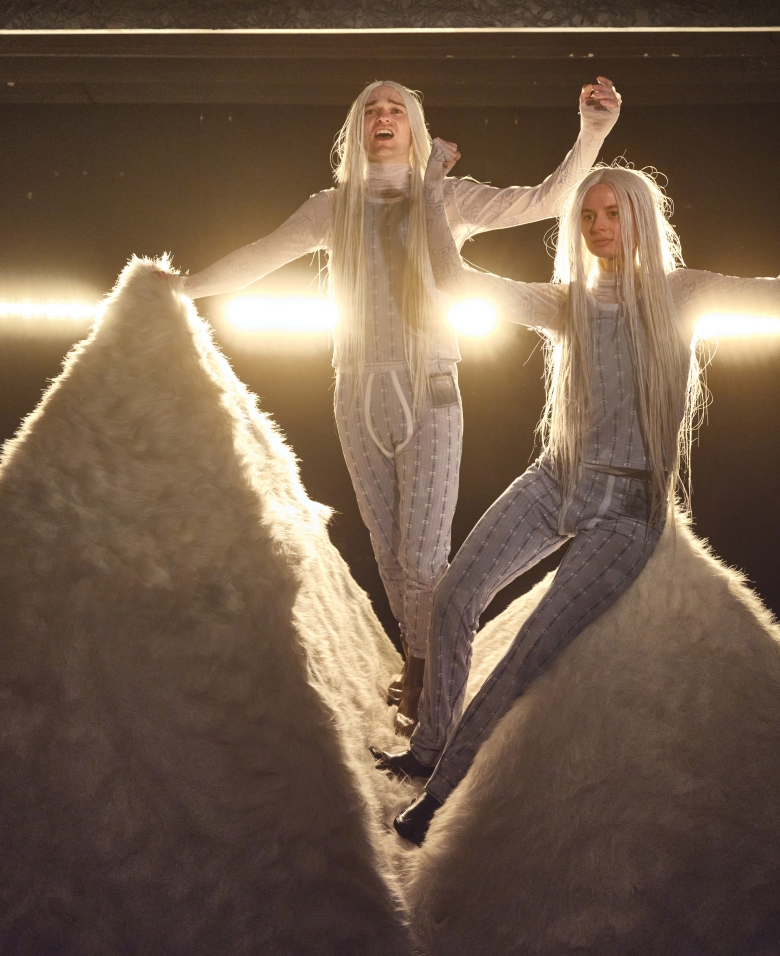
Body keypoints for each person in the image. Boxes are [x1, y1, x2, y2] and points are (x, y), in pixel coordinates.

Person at [373, 148, 780, 845]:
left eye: (612, 213)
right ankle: (428, 744)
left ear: (640, 218)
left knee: (527, 648)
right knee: (455, 594)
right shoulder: (570, 302)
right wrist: (432, 189)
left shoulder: (682, 294)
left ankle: (438, 795)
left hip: (628, 510)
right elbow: (456, 280)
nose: (598, 224)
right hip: (560, 476)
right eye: (587, 214)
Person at [177, 78, 622, 729]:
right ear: (357, 131)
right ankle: (419, 657)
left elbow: (546, 199)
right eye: (370, 111)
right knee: (387, 549)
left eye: (394, 110)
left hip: (430, 388)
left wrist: (593, 131)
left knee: (421, 557)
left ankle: (424, 677)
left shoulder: (448, 198)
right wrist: (186, 287)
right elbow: (261, 256)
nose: (382, 117)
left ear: (413, 126)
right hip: (355, 392)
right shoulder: (331, 208)